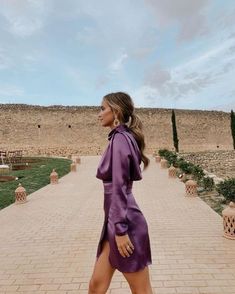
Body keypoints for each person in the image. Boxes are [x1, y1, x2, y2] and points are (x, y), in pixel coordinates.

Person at [89, 92, 153, 294]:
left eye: (102, 108)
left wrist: (120, 230)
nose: (99, 113)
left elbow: (118, 187)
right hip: (115, 222)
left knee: (141, 290)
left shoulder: (119, 139)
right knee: (96, 285)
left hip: (125, 226)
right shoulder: (122, 138)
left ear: (115, 111)